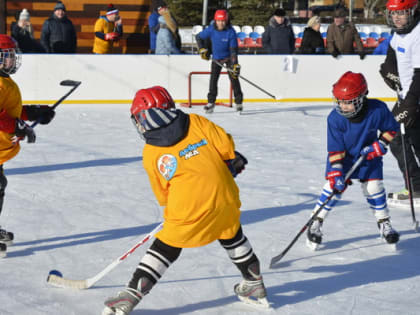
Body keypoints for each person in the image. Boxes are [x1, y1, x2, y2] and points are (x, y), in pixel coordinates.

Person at [102, 86, 269, 315]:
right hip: (225, 197)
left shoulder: (151, 153)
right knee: (231, 233)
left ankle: (131, 295)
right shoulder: (197, 122)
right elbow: (227, 148)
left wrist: (177, 210)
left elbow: (163, 195)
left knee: (166, 246)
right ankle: (254, 284)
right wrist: (230, 161)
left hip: (187, 208)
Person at [307, 71, 400, 250]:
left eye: (347, 102)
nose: (342, 106)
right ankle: (316, 221)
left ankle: (384, 223)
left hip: (369, 155)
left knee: (374, 187)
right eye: (339, 101)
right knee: (333, 188)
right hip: (344, 157)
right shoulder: (335, 118)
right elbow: (335, 149)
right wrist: (336, 170)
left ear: (361, 97)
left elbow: (391, 128)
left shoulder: (378, 109)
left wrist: (381, 144)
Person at [0, 35, 55, 257]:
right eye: (8, 56)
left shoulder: (5, 82)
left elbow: (10, 110)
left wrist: (33, 112)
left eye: (14, 56)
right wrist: (17, 126)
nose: (13, 60)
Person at [379, 0, 420, 203]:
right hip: (408, 97)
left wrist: (411, 104)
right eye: (393, 13)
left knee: (395, 135)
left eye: (401, 13)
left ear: (412, 12)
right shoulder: (398, 32)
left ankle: (416, 186)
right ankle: (416, 186)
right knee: (407, 138)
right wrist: (389, 70)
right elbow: (392, 56)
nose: (396, 17)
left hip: (415, 97)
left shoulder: (418, 34)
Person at [196, 9, 243, 113]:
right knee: (213, 80)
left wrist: (235, 64)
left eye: (222, 21)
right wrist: (202, 49)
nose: (220, 23)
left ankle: (239, 102)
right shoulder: (211, 29)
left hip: (229, 57)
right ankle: (211, 102)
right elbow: (198, 37)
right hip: (216, 58)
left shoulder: (231, 32)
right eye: (218, 21)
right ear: (215, 20)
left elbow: (233, 50)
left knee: (234, 78)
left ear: (226, 21)